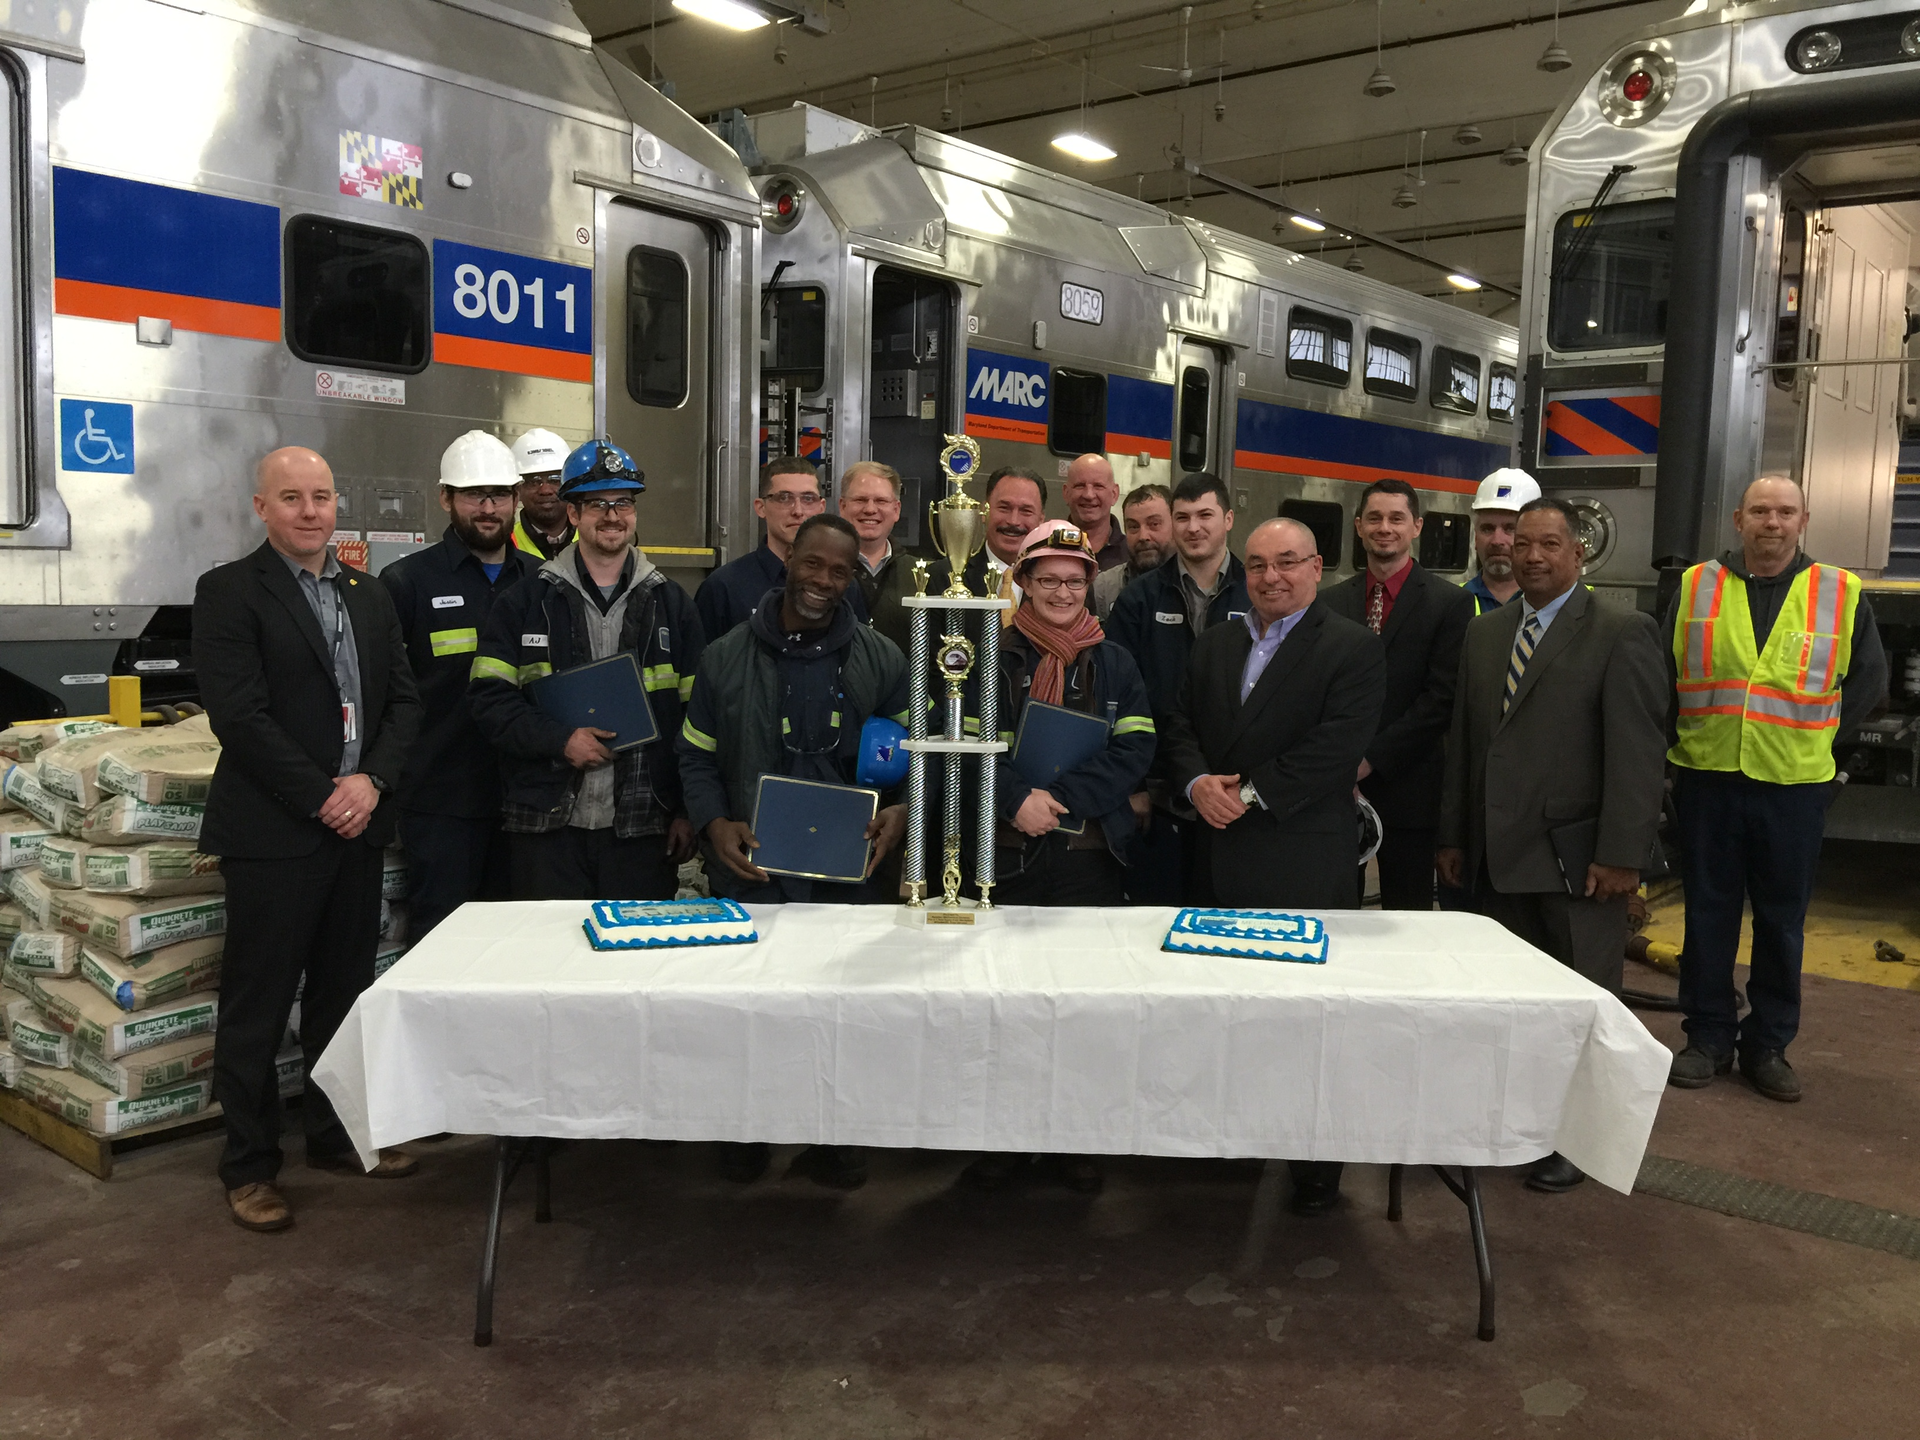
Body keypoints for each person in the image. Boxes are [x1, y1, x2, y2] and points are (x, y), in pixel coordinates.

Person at [192, 446, 424, 1232]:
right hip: (274, 834)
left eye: (321, 496)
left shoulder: (368, 594)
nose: (310, 511)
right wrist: (327, 796)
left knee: (342, 994)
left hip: (356, 828)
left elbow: (404, 703)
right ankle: (250, 1167)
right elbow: (240, 717)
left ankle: (332, 1136)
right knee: (257, 1007)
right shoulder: (229, 592)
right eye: (290, 497)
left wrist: (373, 783)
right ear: (262, 507)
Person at [1436, 497, 1667, 1194]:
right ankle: (1513, 1124)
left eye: (1548, 545)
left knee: (1581, 1007)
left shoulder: (1621, 632)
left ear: (1579, 553)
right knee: (1508, 1005)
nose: (1530, 556)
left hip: (1577, 861)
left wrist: (1622, 853)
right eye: (1520, 543)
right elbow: (1465, 743)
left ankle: (1577, 1140)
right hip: (1494, 860)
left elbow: (1638, 753)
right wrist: (1452, 836)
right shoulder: (1485, 633)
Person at [677, 513, 910, 1191]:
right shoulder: (724, 656)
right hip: (751, 866)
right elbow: (694, 759)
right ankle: (744, 1137)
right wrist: (714, 822)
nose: (824, 581)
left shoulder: (882, 659)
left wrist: (899, 814)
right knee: (750, 1008)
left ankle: (838, 1143)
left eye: (840, 571)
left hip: (849, 873)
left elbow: (907, 764)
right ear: (789, 561)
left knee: (841, 1013)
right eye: (813, 565)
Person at [1162, 516, 1385, 1217]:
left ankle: (1316, 1161)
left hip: (1300, 857)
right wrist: (1198, 785)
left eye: (1287, 563)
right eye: (1257, 565)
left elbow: (1335, 748)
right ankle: (1232, 1137)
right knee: (1223, 1011)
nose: (1270, 578)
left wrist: (1249, 796)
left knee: (1307, 1022)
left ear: (1317, 568)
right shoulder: (1219, 641)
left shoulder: (1352, 649)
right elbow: (1181, 725)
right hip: (1217, 851)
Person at [1664, 477, 1887, 1102]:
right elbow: (1663, 673)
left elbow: (1868, 683)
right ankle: (1708, 1038)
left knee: (1782, 922)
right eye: (1760, 511)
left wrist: (1826, 753)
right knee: (1707, 914)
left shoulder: (1839, 592)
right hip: (1709, 776)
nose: (1772, 522)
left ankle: (1767, 1045)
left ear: (1803, 520)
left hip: (1794, 786)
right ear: (1739, 519)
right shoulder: (1695, 586)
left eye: (1785, 512)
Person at [958, 521, 1155, 1197]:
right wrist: (1014, 801)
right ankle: (1007, 1140)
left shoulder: (1118, 664)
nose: (1064, 591)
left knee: (1083, 1012)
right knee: (1004, 1010)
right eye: (1048, 579)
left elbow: (1135, 752)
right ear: (1023, 583)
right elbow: (964, 747)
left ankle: (1078, 1140)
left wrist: (1059, 799)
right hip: (1006, 858)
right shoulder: (986, 655)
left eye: (1076, 579)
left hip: (1086, 859)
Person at [469, 440, 704, 903]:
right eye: (598, 504)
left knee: (633, 964)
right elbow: (488, 700)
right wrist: (560, 741)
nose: (613, 516)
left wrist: (685, 810)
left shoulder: (672, 605)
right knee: (548, 964)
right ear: (574, 515)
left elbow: (698, 719)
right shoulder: (525, 601)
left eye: (623, 503)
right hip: (546, 825)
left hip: (642, 825)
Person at [378, 431, 540, 940]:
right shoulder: (406, 582)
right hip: (442, 802)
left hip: (528, 801)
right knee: (442, 942)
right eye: (474, 495)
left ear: (516, 499)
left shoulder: (544, 582)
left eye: (499, 495)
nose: (488, 508)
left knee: (519, 941)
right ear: (446, 498)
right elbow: (387, 695)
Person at [1321, 479, 1474, 910]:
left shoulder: (1449, 604)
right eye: (1374, 518)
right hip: (1335, 788)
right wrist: (1338, 761)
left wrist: (1370, 760)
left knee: (1407, 917)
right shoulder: (1330, 602)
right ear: (1358, 526)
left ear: (1417, 527)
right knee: (1336, 910)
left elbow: (1439, 700)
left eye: (1396, 518)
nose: (1384, 527)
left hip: (1410, 790)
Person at [1107, 473, 1249, 903]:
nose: (1193, 527)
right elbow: (1115, 696)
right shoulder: (1139, 599)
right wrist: (1132, 786)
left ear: (1227, 519)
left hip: (1236, 793)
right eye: (1182, 517)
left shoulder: (1257, 592)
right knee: (1157, 918)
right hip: (1159, 793)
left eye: (1205, 515)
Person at [697, 457, 869, 640]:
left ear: (821, 507)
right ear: (761, 507)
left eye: (808, 498)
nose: (797, 510)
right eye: (784, 498)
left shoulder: (844, 586)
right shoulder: (724, 587)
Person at [838, 459, 920, 652]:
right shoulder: (822, 571)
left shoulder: (921, 575)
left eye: (881, 501)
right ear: (842, 506)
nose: (870, 509)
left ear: (896, 510)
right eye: (860, 500)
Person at [1462, 468, 1539, 614]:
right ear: (1475, 538)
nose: (1497, 541)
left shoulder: (1559, 602)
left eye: (1510, 529)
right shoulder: (1451, 601)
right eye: (1487, 529)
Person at [1091, 483, 1172, 620]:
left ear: (1175, 525)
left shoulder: (1192, 585)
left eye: (1154, 524)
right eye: (1133, 527)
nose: (1143, 536)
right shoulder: (1104, 588)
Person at [509, 428, 575, 560]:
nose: (545, 490)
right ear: (518, 490)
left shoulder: (591, 539)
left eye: (555, 480)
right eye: (534, 481)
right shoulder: (505, 545)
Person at [1062, 453, 1129, 572]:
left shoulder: (1131, 554)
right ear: (1066, 493)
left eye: (1098, 486)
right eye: (1080, 486)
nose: (1089, 495)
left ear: (1114, 494)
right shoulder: (1047, 550)